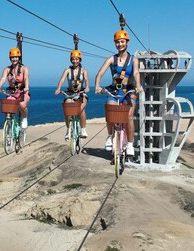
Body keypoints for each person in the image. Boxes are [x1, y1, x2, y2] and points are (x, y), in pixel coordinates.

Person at [94, 29, 143, 157]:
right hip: (114, 90)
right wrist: (98, 86)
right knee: (110, 112)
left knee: (129, 116)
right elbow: (100, 73)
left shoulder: (134, 59)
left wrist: (138, 84)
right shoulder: (111, 59)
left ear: (127, 43)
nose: (120, 44)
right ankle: (110, 136)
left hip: (128, 91)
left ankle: (130, 144)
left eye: (122, 42)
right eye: (117, 42)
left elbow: (136, 73)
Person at [55, 49, 89, 139]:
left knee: (81, 109)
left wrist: (87, 87)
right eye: (73, 59)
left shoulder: (83, 70)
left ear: (80, 60)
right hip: (70, 93)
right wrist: (58, 89)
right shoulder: (68, 70)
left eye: (77, 59)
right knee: (67, 110)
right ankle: (68, 129)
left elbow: (86, 80)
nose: (75, 61)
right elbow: (62, 79)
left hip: (80, 92)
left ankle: (83, 129)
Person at [0, 47, 30, 129]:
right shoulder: (7, 69)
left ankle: (24, 118)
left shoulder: (24, 68)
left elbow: (26, 78)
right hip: (12, 92)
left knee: (21, 105)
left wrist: (26, 87)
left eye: (16, 57)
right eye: (13, 57)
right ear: (10, 58)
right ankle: (8, 127)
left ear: (19, 57)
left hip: (22, 91)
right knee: (7, 107)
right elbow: (3, 78)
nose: (14, 59)